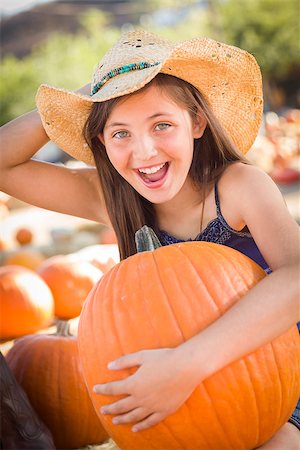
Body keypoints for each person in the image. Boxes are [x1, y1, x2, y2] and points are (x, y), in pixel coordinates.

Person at [0, 30, 299, 448]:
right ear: (101, 140)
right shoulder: (114, 200)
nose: (145, 152)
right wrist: (87, 97)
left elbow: (296, 278)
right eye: (120, 132)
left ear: (196, 122)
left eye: (162, 125)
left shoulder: (238, 187)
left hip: (280, 374)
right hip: (175, 388)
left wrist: (187, 364)